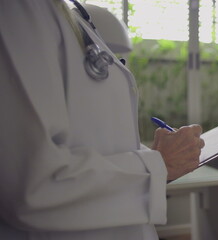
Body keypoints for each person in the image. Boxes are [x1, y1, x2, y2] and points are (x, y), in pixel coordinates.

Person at [0, 1, 204, 239]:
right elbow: (32, 186)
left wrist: (155, 159)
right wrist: (159, 165)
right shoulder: (18, 9)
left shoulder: (65, 14)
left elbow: (89, 135)